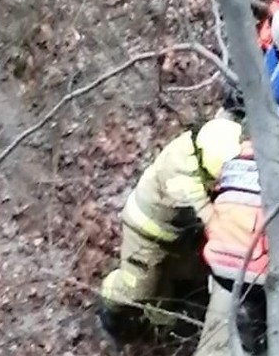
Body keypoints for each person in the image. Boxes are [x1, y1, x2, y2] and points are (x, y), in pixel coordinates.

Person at [99, 116, 243, 337]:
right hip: (145, 232)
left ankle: (163, 322)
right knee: (137, 288)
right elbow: (211, 219)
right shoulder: (183, 176)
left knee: (170, 285)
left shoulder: (209, 141)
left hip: (176, 232)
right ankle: (110, 305)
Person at [202, 139, 270, 354]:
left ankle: (248, 314)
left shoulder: (226, 171)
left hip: (217, 264)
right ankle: (261, 317)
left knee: (246, 293)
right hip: (254, 267)